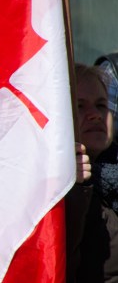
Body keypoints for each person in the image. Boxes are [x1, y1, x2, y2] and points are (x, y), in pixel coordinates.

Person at [66, 63, 118, 282]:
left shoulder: (110, 181)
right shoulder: (50, 190)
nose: (95, 115)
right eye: (79, 106)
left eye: (101, 105)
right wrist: (73, 188)